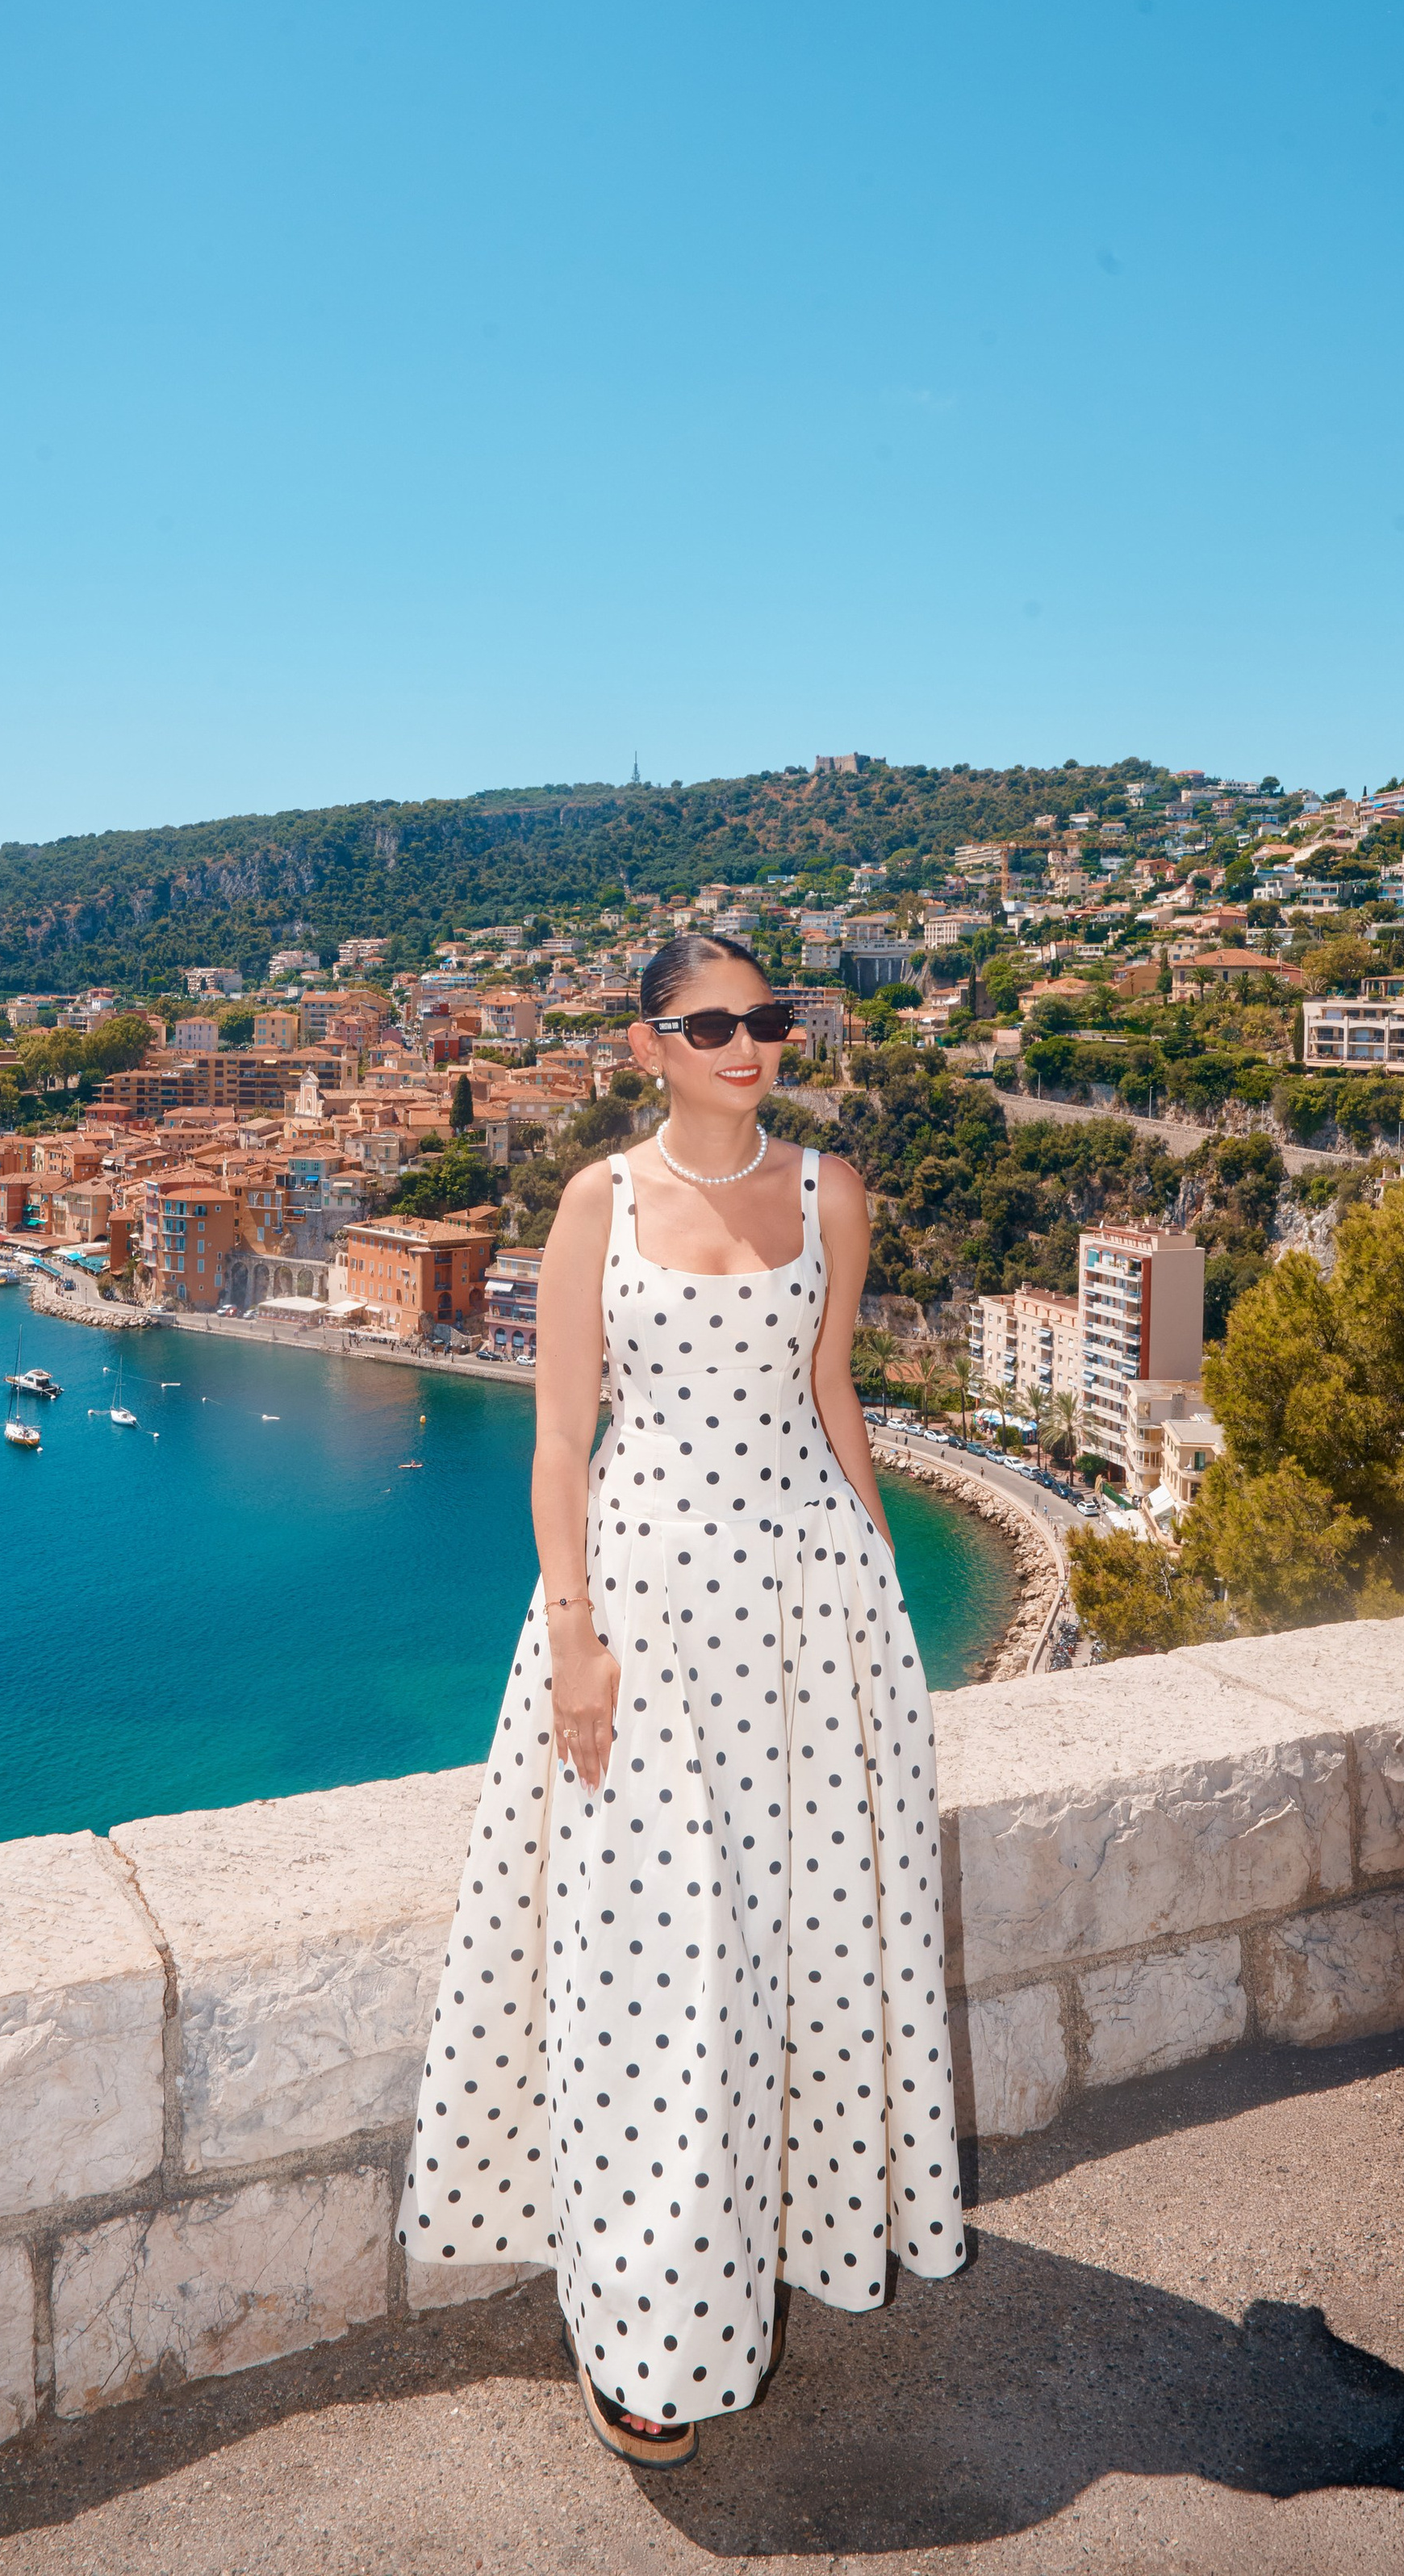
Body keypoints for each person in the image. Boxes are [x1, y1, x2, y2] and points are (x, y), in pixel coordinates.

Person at [398, 933, 967, 2465]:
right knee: (656, 1979)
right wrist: (572, 1632)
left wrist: (888, 1608)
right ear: (648, 1040)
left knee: (808, 1952)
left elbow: (833, 1387)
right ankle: (649, 2332)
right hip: (643, 1627)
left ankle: (787, 2244)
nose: (747, 1043)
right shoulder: (595, 1201)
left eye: (767, 1019)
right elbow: (561, 1440)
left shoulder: (829, 1188)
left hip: (808, 1616)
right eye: (712, 1023)